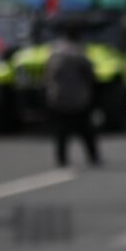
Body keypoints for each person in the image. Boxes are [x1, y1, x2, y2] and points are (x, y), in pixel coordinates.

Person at [44, 27, 99, 167]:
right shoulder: (79, 53)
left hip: (58, 98)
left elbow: (48, 74)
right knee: (86, 131)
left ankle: (61, 159)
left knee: (61, 132)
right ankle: (93, 157)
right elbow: (90, 74)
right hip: (78, 98)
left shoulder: (54, 51)